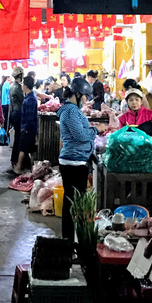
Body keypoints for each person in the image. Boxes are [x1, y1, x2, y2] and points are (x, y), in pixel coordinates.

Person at [58, 77, 107, 242]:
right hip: (73, 163)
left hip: (75, 160)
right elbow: (80, 136)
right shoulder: (70, 111)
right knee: (73, 203)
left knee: (72, 201)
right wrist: (97, 130)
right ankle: (69, 240)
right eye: (85, 96)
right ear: (77, 94)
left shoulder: (71, 110)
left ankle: (70, 239)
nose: (86, 100)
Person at [13, 75, 38, 174]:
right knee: (30, 149)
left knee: (23, 148)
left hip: (28, 128)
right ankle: (33, 169)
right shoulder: (29, 97)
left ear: (26, 86)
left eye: (23, 84)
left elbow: (30, 116)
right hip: (29, 127)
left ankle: (19, 167)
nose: (22, 86)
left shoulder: (30, 99)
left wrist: (26, 129)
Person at [9, 68, 25, 168]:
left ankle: (14, 159)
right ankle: (16, 160)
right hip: (18, 113)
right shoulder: (18, 87)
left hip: (13, 113)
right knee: (19, 138)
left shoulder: (11, 86)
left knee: (17, 137)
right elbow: (22, 100)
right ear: (20, 76)